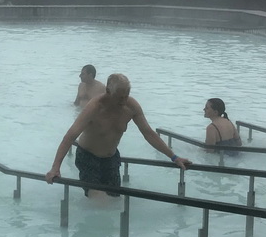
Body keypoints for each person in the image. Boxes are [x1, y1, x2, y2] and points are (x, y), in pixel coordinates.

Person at [45, 73, 190, 197]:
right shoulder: (95, 107)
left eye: (126, 96)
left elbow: (148, 133)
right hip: (88, 157)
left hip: (111, 160)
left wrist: (174, 157)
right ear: (108, 91)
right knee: (99, 202)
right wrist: (55, 167)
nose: (123, 101)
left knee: (115, 201)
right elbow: (70, 136)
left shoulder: (131, 106)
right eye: (119, 97)